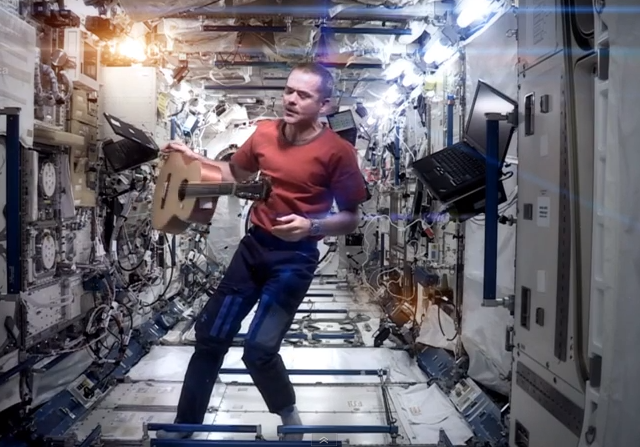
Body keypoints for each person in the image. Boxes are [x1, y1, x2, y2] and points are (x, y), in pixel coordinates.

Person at [156, 62, 368, 440]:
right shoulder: (264, 133)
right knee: (210, 337)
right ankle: (186, 424)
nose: (291, 99)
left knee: (259, 349)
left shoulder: (338, 152)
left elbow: (352, 218)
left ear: (325, 105)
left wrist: (312, 226)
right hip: (253, 249)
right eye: (289, 90)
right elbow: (233, 173)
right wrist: (193, 156)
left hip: (294, 259)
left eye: (303, 95)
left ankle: (290, 420)